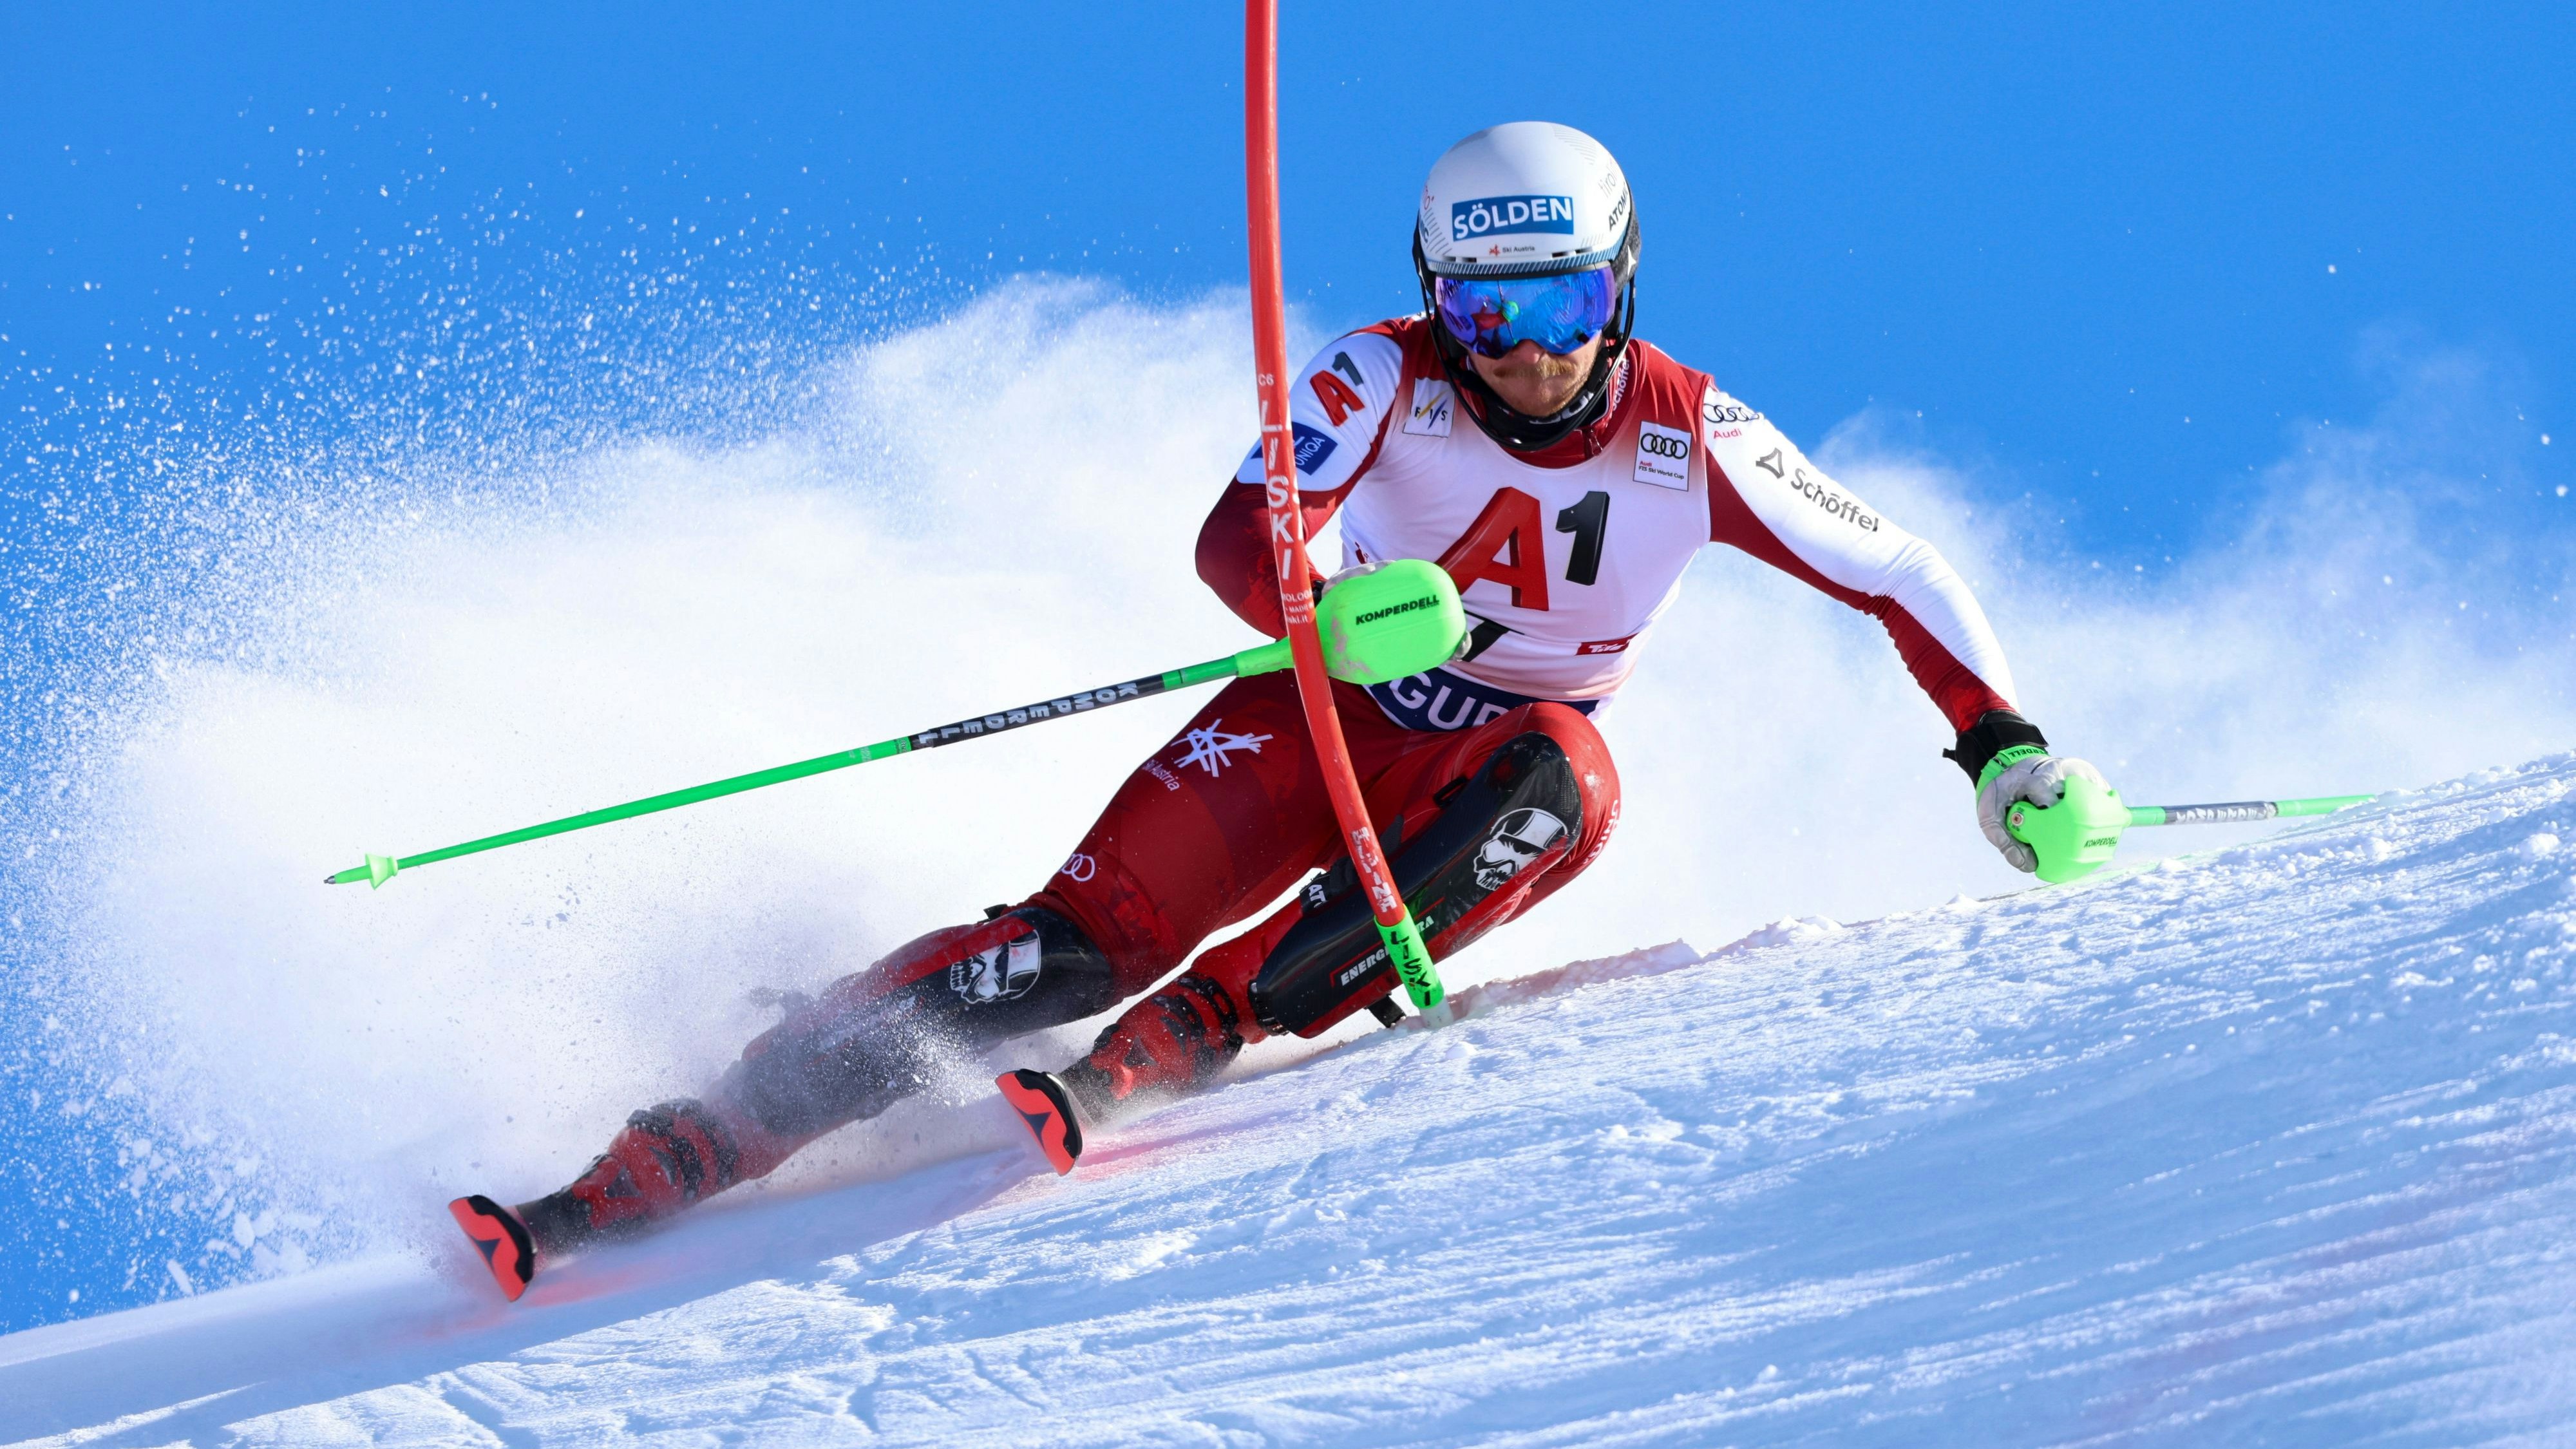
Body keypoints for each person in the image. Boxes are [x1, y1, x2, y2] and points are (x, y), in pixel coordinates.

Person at [448, 121, 2104, 1301]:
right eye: (1484, 316)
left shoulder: (1688, 432)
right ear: (1435, 299)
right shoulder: (1378, 373)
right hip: (1322, 715)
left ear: (1619, 292)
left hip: (1483, 760)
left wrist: (2000, 751)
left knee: (1568, 785)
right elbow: (1238, 536)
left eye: (1557, 314)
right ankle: (695, 1135)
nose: (1519, 360)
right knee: (1075, 939)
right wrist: (1313, 606)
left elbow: (1898, 571)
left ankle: (1202, 1031)